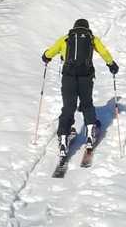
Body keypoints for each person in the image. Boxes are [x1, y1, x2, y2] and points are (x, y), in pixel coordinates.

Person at [42, 18, 119, 157]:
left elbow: (50, 52)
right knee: (87, 103)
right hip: (86, 76)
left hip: (68, 77)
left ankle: (64, 137)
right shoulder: (92, 38)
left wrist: (46, 56)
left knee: (68, 106)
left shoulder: (66, 38)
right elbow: (103, 52)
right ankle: (90, 132)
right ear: (87, 28)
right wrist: (111, 64)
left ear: (74, 27)